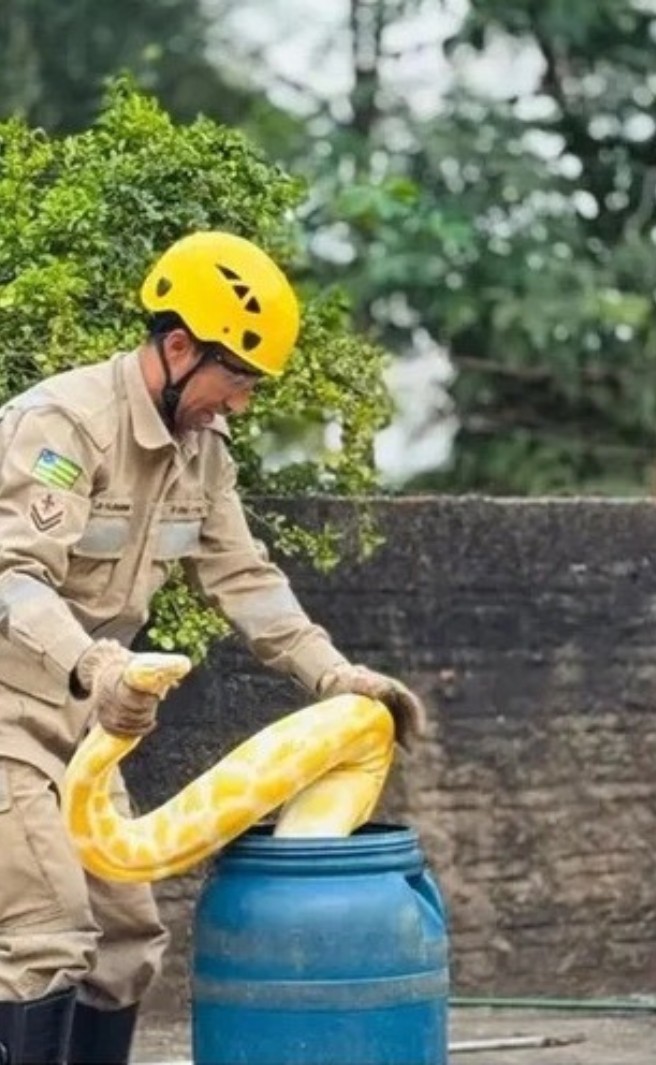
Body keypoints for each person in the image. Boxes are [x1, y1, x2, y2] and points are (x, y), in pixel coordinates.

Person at [0, 230, 428, 1065]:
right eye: (235, 377)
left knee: (127, 940)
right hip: (10, 710)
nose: (240, 402)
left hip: (90, 723)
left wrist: (335, 673)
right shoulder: (62, 427)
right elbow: (11, 574)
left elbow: (243, 576)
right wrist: (98, 663)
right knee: (46, 932)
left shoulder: (203, 452)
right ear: (180, 345)